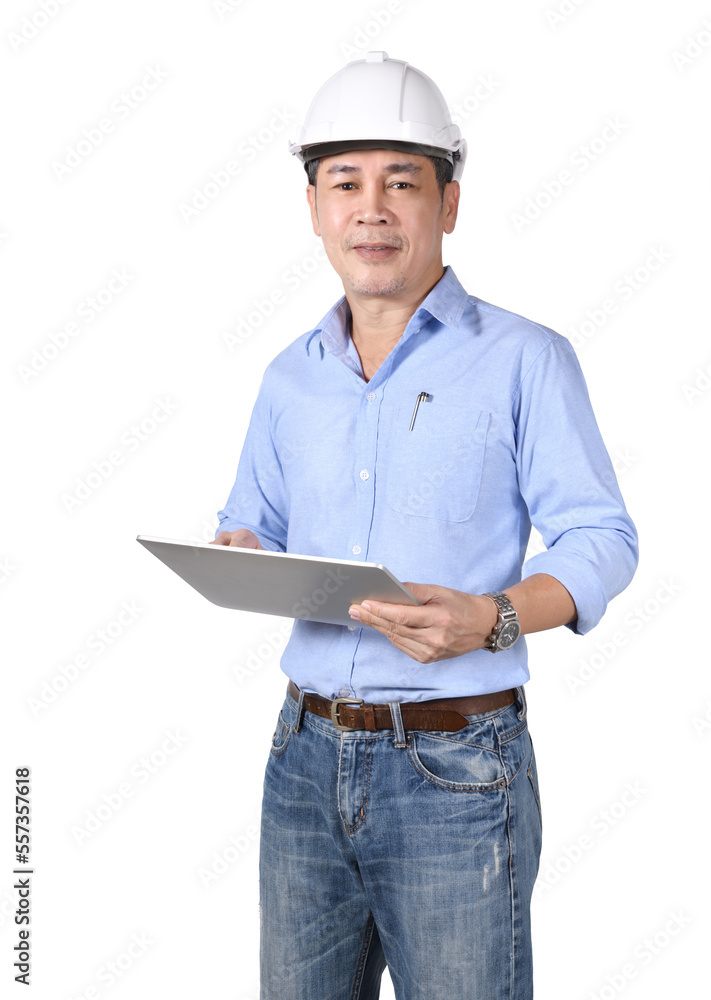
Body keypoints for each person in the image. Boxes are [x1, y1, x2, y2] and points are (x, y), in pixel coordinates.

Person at [211, 51, 638, 1000]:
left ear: (447, 204)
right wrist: (240, 550)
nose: (372, 208)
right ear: (315, 207)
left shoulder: (527, 360)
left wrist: (493, 617)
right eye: (345, 183)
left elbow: (603, 539)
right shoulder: (289, 376)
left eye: (401, 182)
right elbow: (254, 519)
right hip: (301, 759)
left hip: (457, 768)